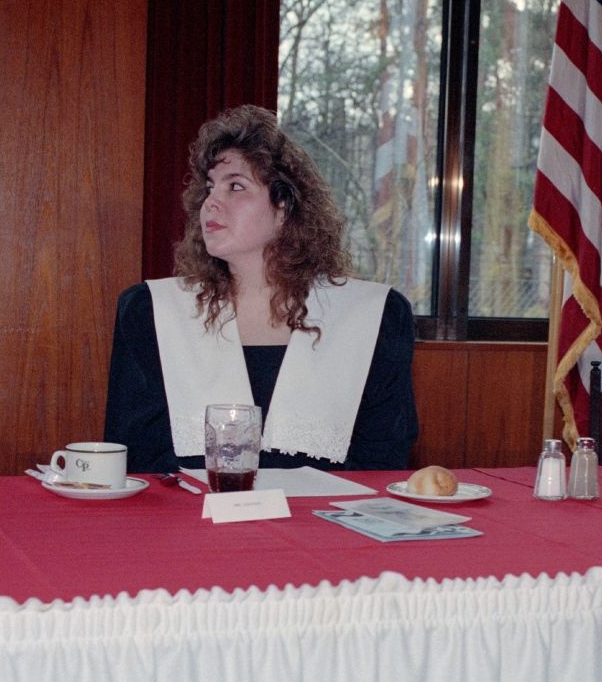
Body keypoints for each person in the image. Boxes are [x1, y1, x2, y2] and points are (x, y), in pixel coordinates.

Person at [105, 105, 418, 474]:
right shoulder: (150, 311)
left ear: (284, 207)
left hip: (324, 524)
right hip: (190, 523)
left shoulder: (373, 315)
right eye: (210, 188)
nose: (212, 202)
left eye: (235, 186)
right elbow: (136, 458)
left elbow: (384, 459)